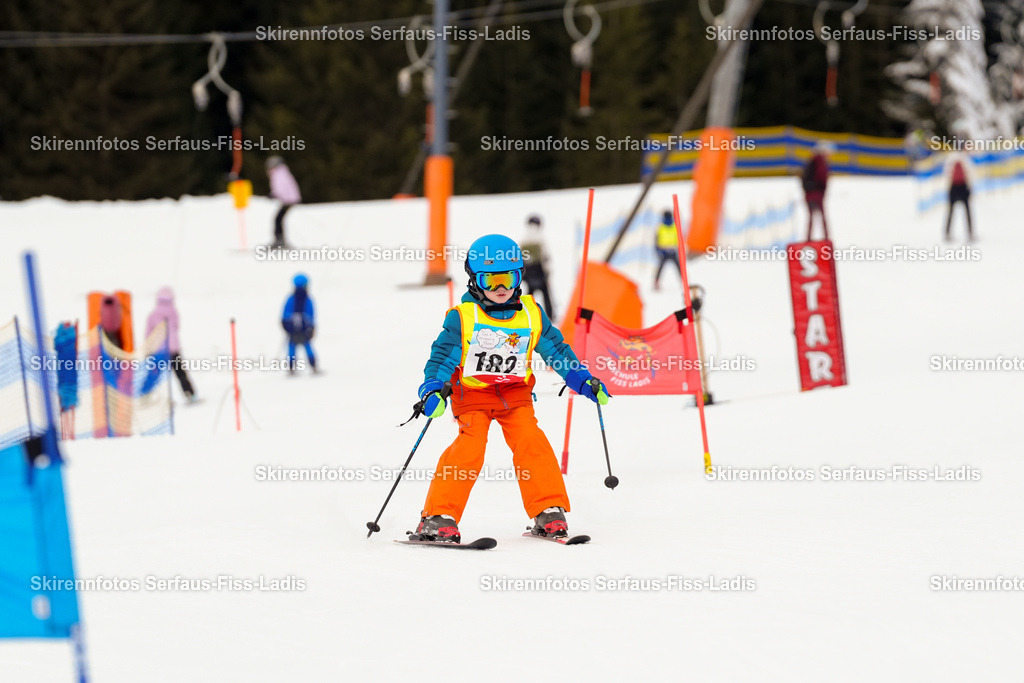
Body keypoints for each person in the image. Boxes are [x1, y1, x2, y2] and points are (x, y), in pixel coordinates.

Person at [411, 234, 610, 543]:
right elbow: (442, 357)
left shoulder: (530, 314)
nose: (501, 288)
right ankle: (438, 517)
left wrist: (582, 379)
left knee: (532, 442)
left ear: (520, 277)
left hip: (515, 397)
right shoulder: (463, 317)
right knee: (469, 449)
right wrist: (433, 388)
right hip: (473, 396)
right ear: (475, 281)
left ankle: (548, 510)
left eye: (509, 278)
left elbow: (556, 352)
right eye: (491, 281)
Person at [146, 287, 197, 402]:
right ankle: (190, 394)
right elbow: (176, 327)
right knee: (180, 373)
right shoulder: (174, 313)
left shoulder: (153, 315)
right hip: (173, 350)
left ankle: (148, 397)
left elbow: (148, 333)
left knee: (154, 376)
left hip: (158, 351)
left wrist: (148, 349)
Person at [520, 214, 555, 317]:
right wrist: (548, 271)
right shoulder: (541, 239)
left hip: (529, 272)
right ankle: (550, 315)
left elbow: (522, 257)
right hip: (540, 271)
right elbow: (546, 257)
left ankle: (526, 314)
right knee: (546, 295)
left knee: (529, 295)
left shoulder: (524, 240)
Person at [282, 273, 317, 375]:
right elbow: (311, 314)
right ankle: (313, 365)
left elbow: (285, 313)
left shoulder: (291, 298)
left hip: (293, 328)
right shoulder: (307, 299)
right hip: (303, 328)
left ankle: (291, 367)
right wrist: (311, 326)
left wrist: (286, 325)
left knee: (292, 347)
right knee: (307, 346)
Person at [266, 156, 301, 249]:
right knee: (279, 219)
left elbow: (280, 187)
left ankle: (279, 241)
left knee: (278, 219)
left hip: (288, 200)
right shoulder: (283, 172)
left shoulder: (278, 173)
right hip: (290, 199)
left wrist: (274, 194)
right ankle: (280, 240)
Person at [802, 141, 832, 240]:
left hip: (809, 194)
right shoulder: (820, 161)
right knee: (822, 217)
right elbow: (821, 177)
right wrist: (821, 188)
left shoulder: (811, 162)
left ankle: (808, 239)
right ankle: (826, 239)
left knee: (811, 217)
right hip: (816, 193)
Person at [944, 153, 974, 242]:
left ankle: (947, 233)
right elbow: (970, 173)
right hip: (963, 187)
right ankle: (970, 232)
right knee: (967, 211)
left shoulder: (950, 158)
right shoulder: (965, 158)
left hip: (953, 188)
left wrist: (948, 188)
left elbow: (947, 174)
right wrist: (970, 188)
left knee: (951, 211)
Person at [653, 210, 681, 291]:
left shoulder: (661, 227)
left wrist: (657, 250)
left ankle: (656, 282)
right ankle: (657, 282)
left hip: (668, 250)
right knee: (663, 267)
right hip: (667, 250)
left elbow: (656, 240)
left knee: (677, 267)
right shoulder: (673, 226)